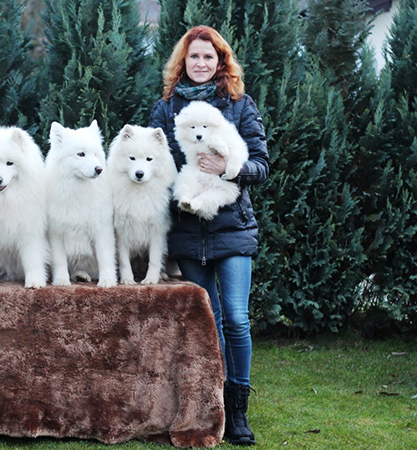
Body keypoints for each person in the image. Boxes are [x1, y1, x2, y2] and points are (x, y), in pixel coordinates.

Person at [149, 25, 269, 446]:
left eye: (209, 57)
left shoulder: (239, 104)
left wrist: (229, 170)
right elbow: (154, 167)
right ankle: (212, 402)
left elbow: (261, 164)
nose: (201, 63)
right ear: (183, 62)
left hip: (232, 228)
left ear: (221, 62)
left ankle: (238, 409)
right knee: (207, 321)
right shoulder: (164, 109)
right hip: (185, 231)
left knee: (236, 318)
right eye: (194, 57)